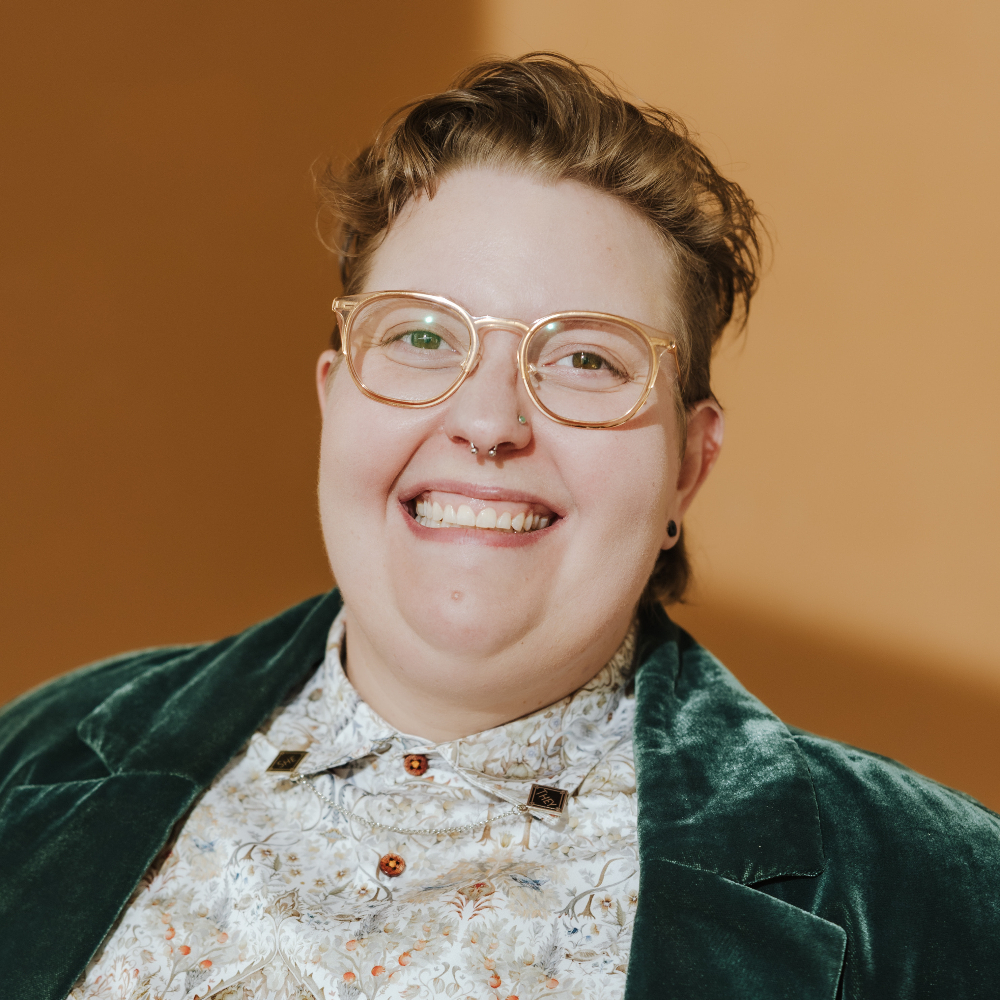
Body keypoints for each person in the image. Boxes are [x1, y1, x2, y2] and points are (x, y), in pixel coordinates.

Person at [1, 53, 997, 1000]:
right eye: (422, 337)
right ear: (333, 396)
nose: (486, 424)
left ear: (688, 465)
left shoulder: (938, 899)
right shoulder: (33, 763)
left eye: (587, 360)